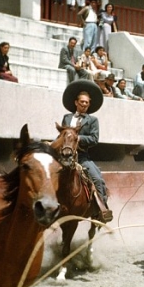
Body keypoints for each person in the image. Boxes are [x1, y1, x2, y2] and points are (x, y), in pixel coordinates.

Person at [59, 80, 113, 222]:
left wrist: (77, 138)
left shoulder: (93, 120)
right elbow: (62, 136)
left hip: (81, 157)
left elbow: (94, 139)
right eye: (82, 102)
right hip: (64, 156)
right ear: (76, 102)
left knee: (98, 179)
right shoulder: (67, 118)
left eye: (87, 103)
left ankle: (102, 210)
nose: (84, 105)